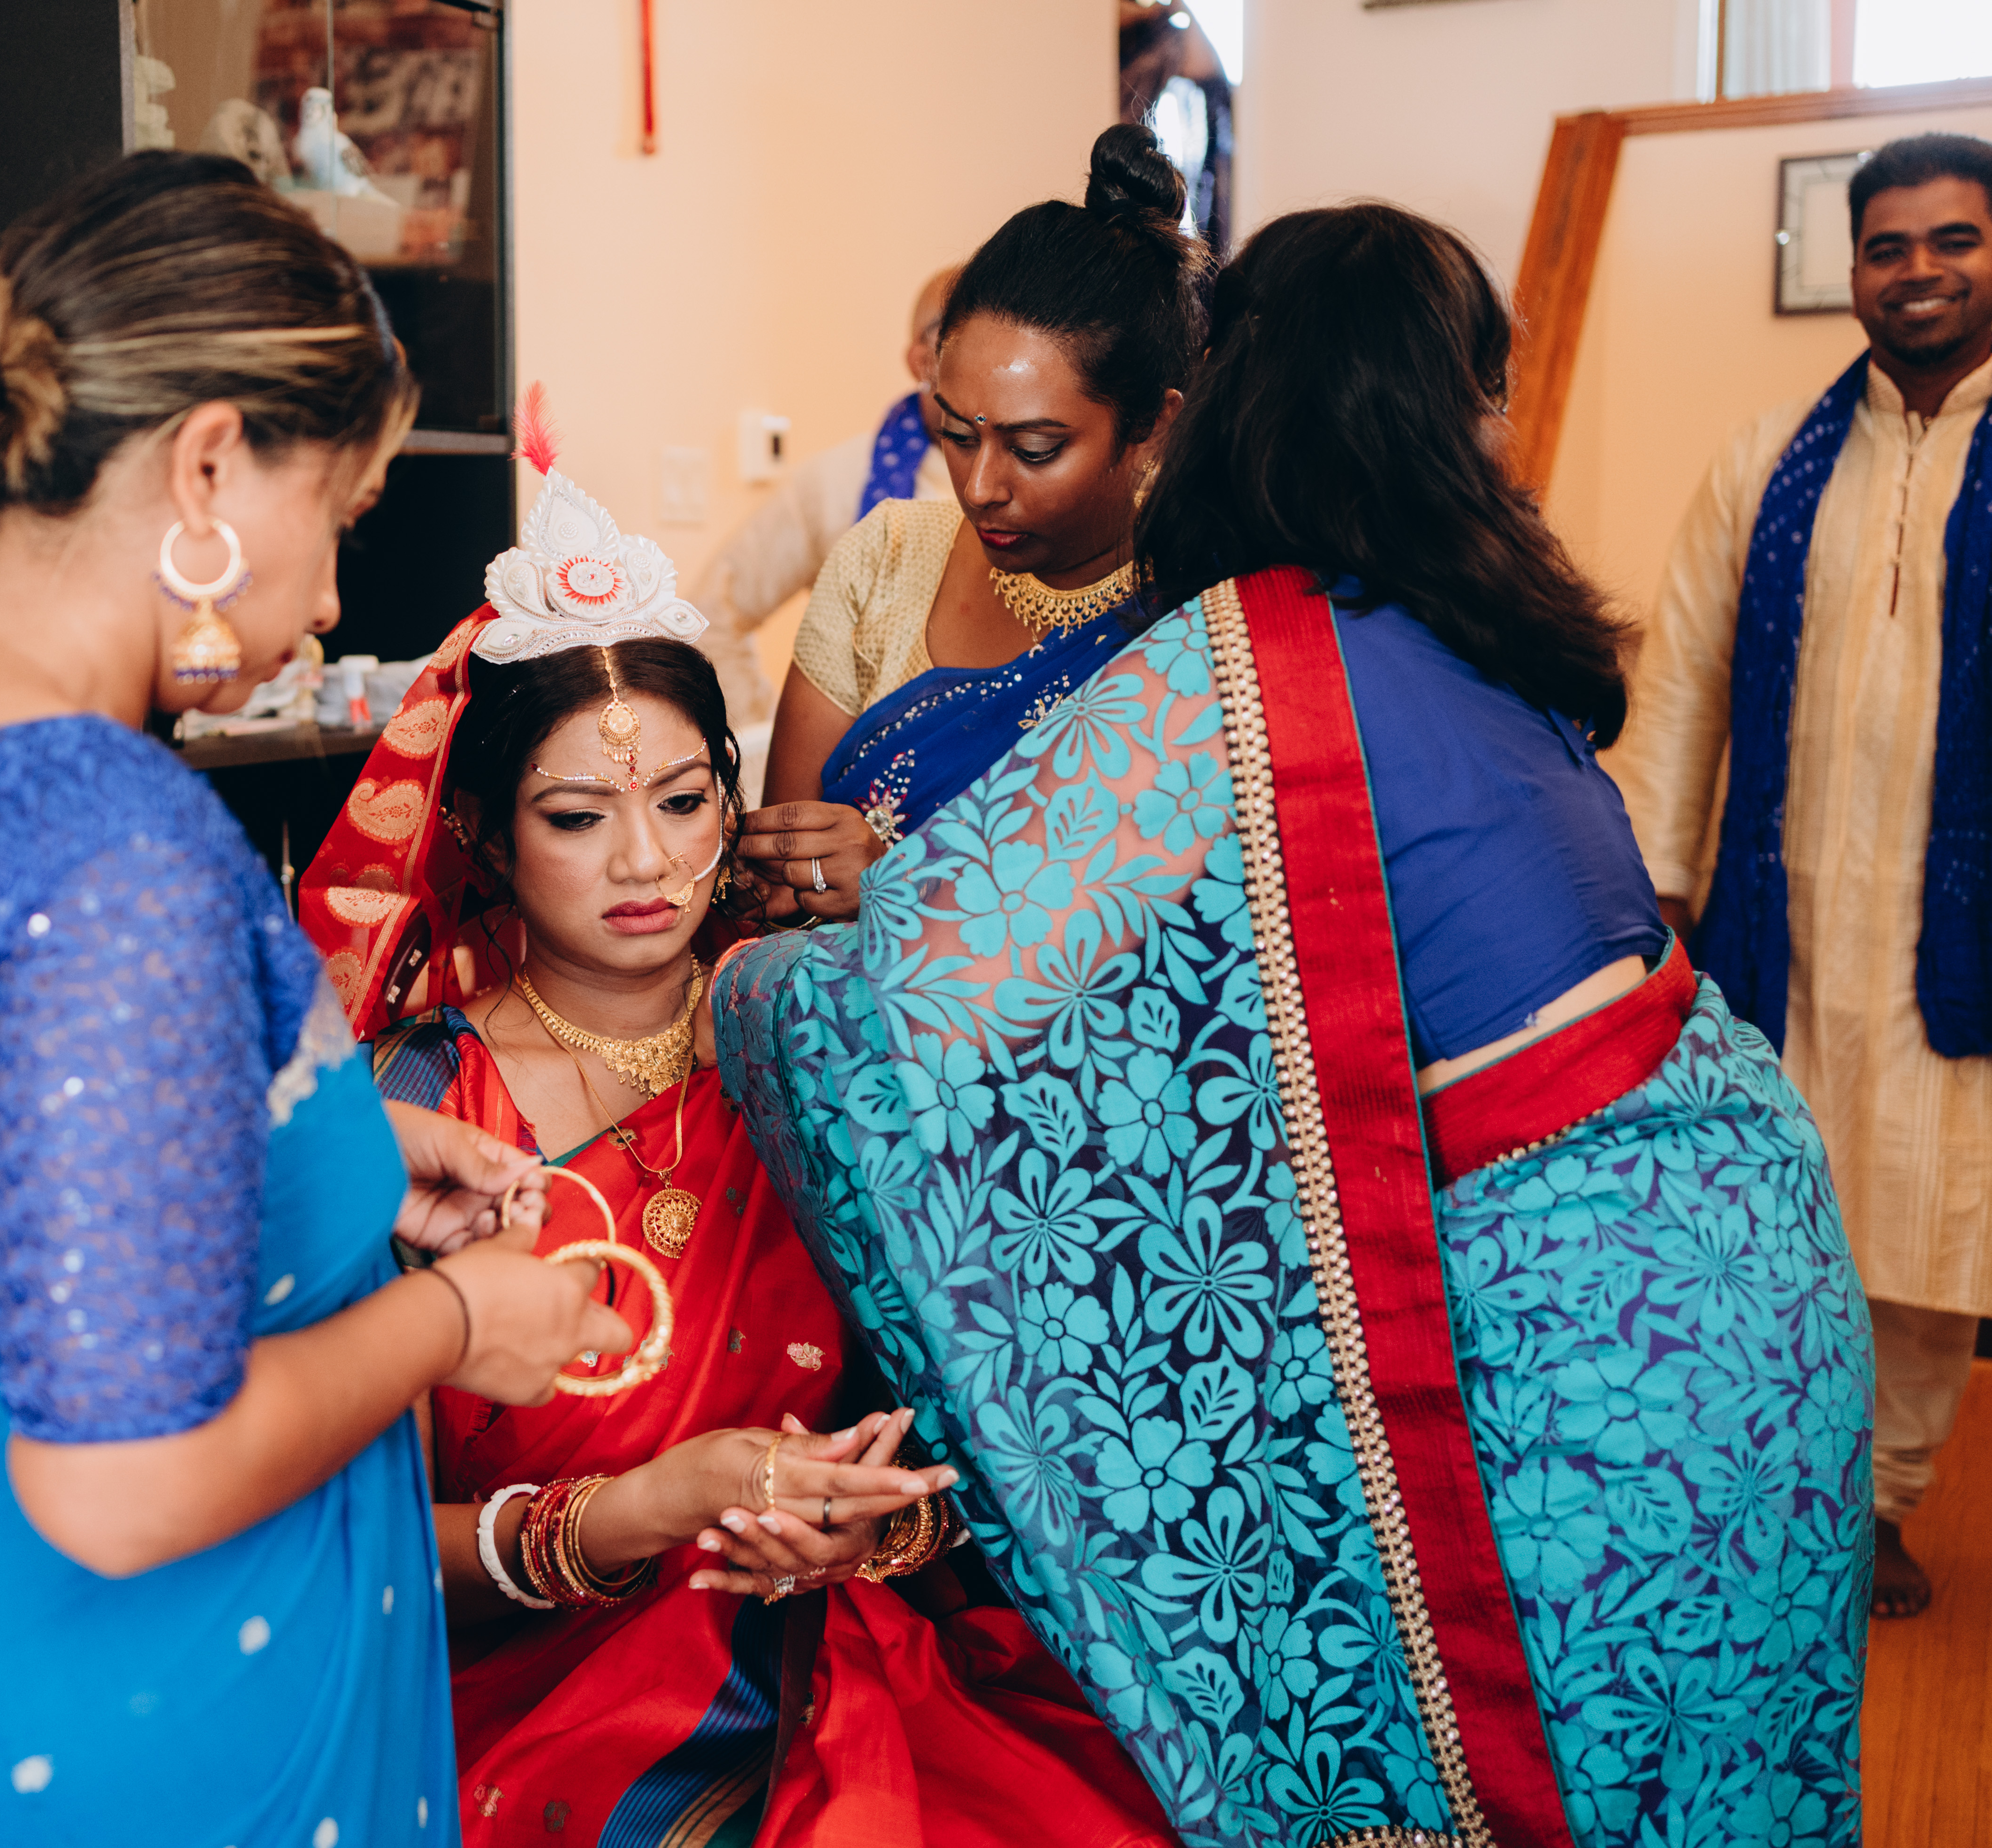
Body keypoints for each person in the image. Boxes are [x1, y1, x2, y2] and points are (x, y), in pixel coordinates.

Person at [708, 203, 1872, 1848]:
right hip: (1750, 1249)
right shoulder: (1473, 610)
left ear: (1204, 408)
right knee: (1713, 1766)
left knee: (1552, 1768)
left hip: (1579, 1337)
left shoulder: (1234, 664)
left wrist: (743, 987)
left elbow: (893, 1018)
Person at [0, 152, 627, 1847]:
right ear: (207, 462)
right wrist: (457, 1320)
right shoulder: (103, 832)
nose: (332, 600)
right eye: (338, 518)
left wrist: (342, 1157)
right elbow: (121, 1485)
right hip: (82, 1711)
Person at [298, 440, 1178, 1847]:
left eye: (682, 799)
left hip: (855, 1647)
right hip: (533, 1690)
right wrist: (642, 1509)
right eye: (577, 816)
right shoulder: (412, 1107)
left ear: (732, 791)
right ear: (481, 832)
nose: (645, 861)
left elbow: (1010, 1413)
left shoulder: (832, 1034)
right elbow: (365, 1552)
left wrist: (885, 1517)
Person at [1610, 130, 1992, 1623]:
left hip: (1959, 932)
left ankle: (1880, 1499)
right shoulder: (1765, 458)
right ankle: (1779, 1491)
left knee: (1928, 1223)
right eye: (1888, 246)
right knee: (1778, 1223)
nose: (1918, 271)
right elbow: (1681, 687)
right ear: (1852, 271)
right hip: (1786, 924)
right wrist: (1652, 889)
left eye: (1952, 240)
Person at [742, 124, 1201, 928]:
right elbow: (779, 892)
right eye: (956, 434)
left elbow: (1179, 922)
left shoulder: (1197, 607)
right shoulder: (883, 558)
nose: (981, 488)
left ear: (1152, 426)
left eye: (1034, 448)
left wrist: (911, 882)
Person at [688, 266, 959, 729]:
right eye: (957, 335)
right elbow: (712, 615)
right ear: (920, 360)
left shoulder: (1038, 480)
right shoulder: (836, 482)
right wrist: (759, 737)